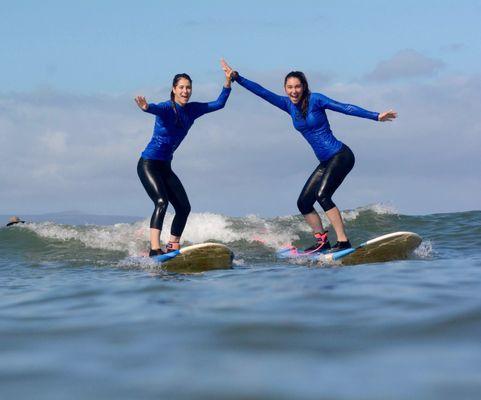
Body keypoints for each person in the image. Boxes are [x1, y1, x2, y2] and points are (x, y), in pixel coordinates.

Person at [221, 59, 397, 252]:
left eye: (297, 86)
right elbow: (262, 91)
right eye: (289, 87)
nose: (293, 91)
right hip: (326, 161)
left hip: (341, 155)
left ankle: (343, 241)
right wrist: (236, 78)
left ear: (304, 87)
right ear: (285, 88)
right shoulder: (287, 105)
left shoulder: (316, 100)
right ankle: (322, 241)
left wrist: (376, 115)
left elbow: (345, 107)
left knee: (323, 196)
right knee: (304, 202)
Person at [135, 68, 232, 256]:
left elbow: (219, 103)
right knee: (161, 202)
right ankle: (154, 249)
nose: (185, 91)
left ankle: (172, 246)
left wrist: (227, 82)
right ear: (174, 89)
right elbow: (153, 108)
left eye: (188, 88)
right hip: (148, 164)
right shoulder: (166, 108)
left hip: (165, 167)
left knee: (183, 207)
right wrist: (146, 107)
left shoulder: (193, 110)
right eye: (181, 87)